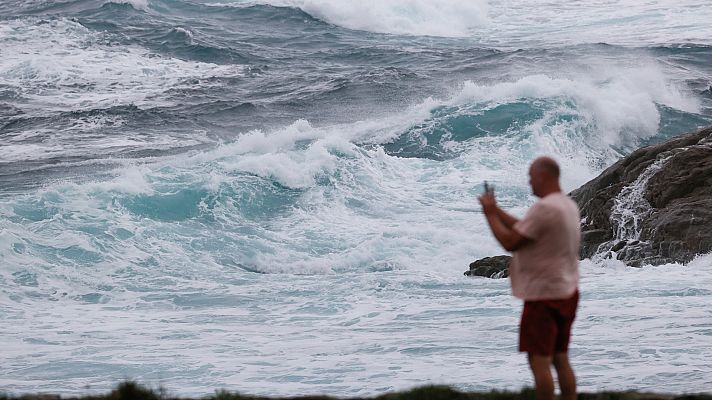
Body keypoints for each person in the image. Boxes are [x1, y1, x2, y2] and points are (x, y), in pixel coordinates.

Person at [478, 156, 581, 400]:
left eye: (531, 177)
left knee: (539, 362)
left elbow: (510, 242)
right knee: (560, 358)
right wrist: (498, 210)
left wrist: (490, 215)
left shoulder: (544, 208)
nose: (529, 182)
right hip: (567, 290)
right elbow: (526, 227)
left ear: (544, 177)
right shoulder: (566, 205)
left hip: (543, 296)